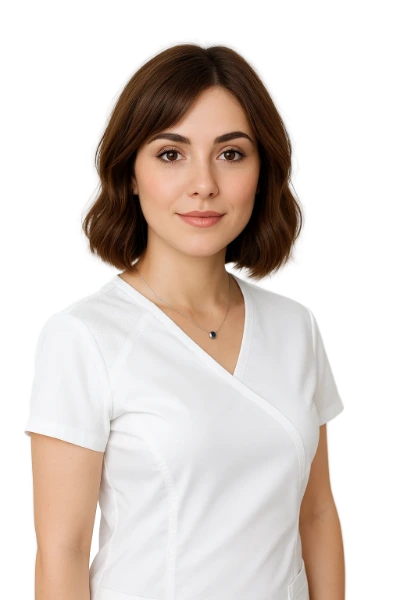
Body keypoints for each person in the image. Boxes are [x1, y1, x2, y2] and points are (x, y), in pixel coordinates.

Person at [24, 39, 347, 599]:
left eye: (231, 154)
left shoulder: (294, 329)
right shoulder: (85, 338)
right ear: (130, 172)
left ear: (263, 170)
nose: (204, 184)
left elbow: (317, 515)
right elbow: (62, 552)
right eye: (171, 154)